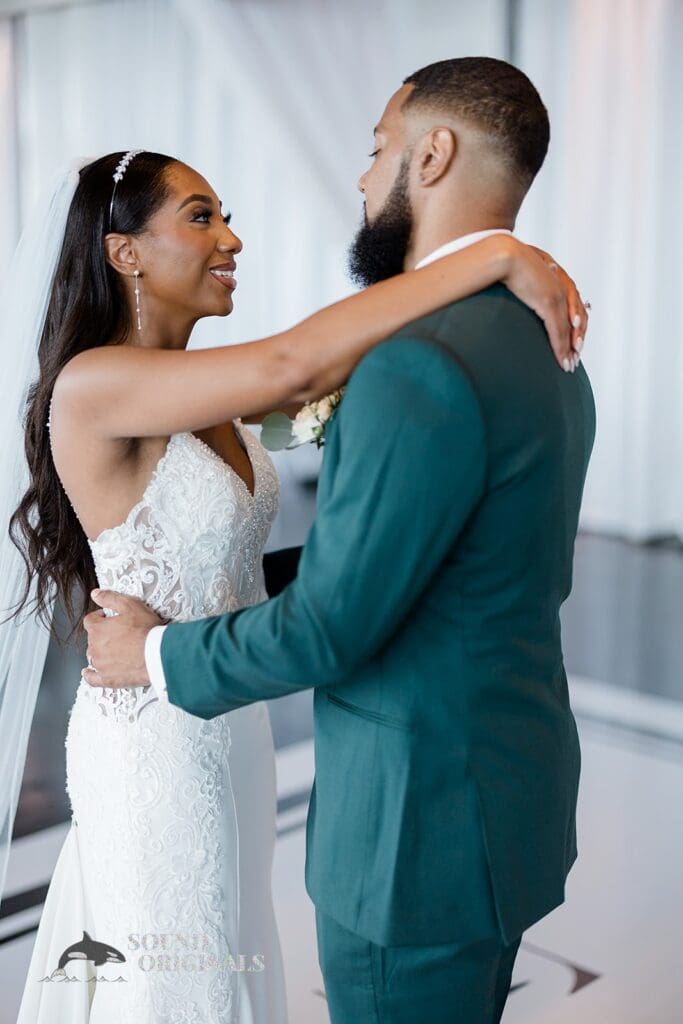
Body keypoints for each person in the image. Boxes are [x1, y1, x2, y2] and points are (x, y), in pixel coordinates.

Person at [4, 128, 583, 1023]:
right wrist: (495, 254)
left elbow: (266, 505)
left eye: (226, 217)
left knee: (232, 950)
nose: (231, 238)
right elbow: (298, 363)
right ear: (123, 253)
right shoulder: (95, 383)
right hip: (150, 741)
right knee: (179, 976)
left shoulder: (201, 384)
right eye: (201, 218)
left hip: (229, 725)